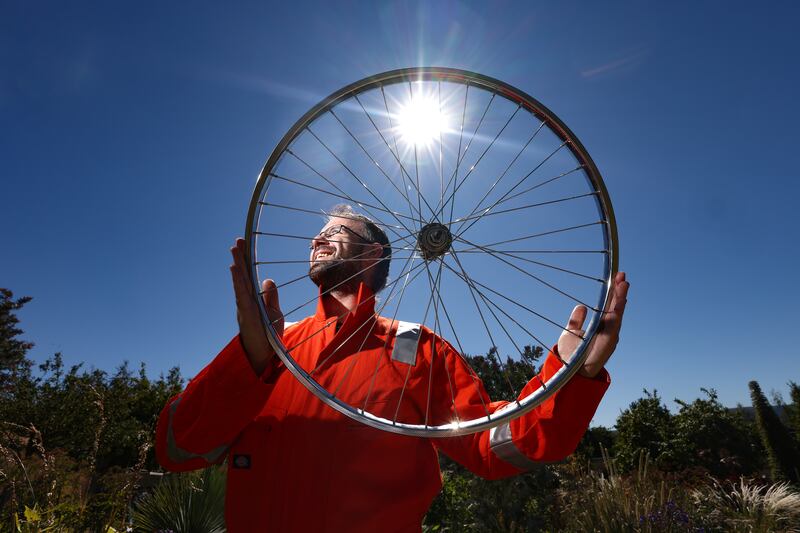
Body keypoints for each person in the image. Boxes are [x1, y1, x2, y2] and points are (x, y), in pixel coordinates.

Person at [155, 204, 629, 532]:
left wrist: (571, 377)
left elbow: (492, 445)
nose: (317, 239)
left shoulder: (419, 348)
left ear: (373, 254)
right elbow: (178, 450)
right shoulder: (274, 345)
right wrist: (250, 357)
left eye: (337, 232)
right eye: (318, 233)